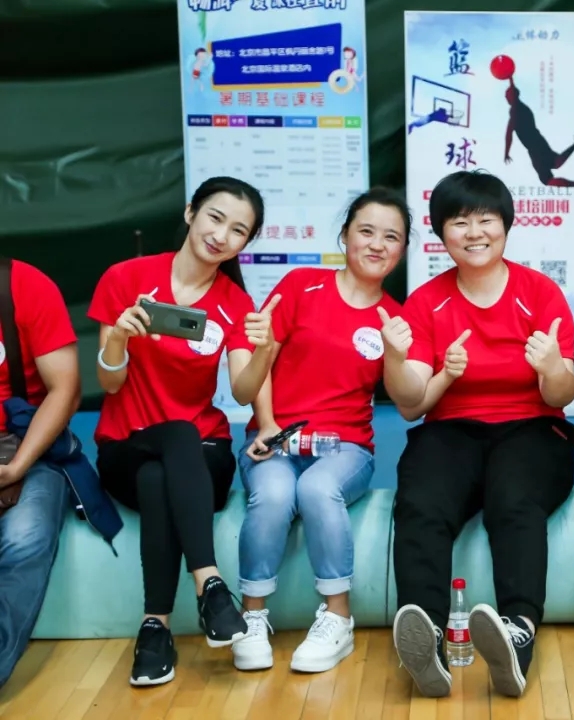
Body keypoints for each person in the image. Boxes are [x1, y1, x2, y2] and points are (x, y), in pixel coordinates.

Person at [380, 170, 574, 699]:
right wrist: (396, 359)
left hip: (533, 427)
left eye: (486, 219)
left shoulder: (539, 293)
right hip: (451, 429)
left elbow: (562, 393)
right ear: (441, 233)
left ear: (506, 226)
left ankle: (518, 632)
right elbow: (411, 402)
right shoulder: (427, 302)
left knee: (514, 498)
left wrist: (552, 366)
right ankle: (425, 636)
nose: (474, 232)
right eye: (459, 222)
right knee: (421, 501)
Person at [89, 176, 278, 686]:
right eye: (215, 218)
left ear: (245, 242)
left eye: (238, 230)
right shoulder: (126, 278)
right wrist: (118, 339)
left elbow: (243, 390)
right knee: (172, 438)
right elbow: (110, 383)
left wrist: (264, 351)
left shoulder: (235, 302)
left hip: (201, 457)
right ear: (191, 212)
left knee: (164, 469)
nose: (222, 235)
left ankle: (155, 628)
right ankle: (211, 584)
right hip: (125, 446)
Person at [230, 188, 410, 674]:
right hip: (274, 438)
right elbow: (263, 357)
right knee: (273, 493)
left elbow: (405, 394)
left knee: (315, 488)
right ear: (345, 235)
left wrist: (397, 354)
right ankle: (252, 618)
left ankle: (338, 618)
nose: (377, 244)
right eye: (366, 231)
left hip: (346, 448)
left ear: (402, 249)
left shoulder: (395, 318)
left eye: (391, 237)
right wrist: (268, 425)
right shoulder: (301, 285)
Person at [0, 260, 81, 689]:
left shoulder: (25, 285)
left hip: (26, 442)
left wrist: (18, 466)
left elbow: (65, 389)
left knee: (24, 537)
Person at [503, 78, 574, 187]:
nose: (505, 97)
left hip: (534, 148)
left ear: (512, 96)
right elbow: (513, 90)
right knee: (555, 162)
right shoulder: (522, 107)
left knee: (547, 180)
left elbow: (508, 134)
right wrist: (510, 77)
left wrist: (506, 153)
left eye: (507, 95)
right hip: (539, 141)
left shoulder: (515, 111)